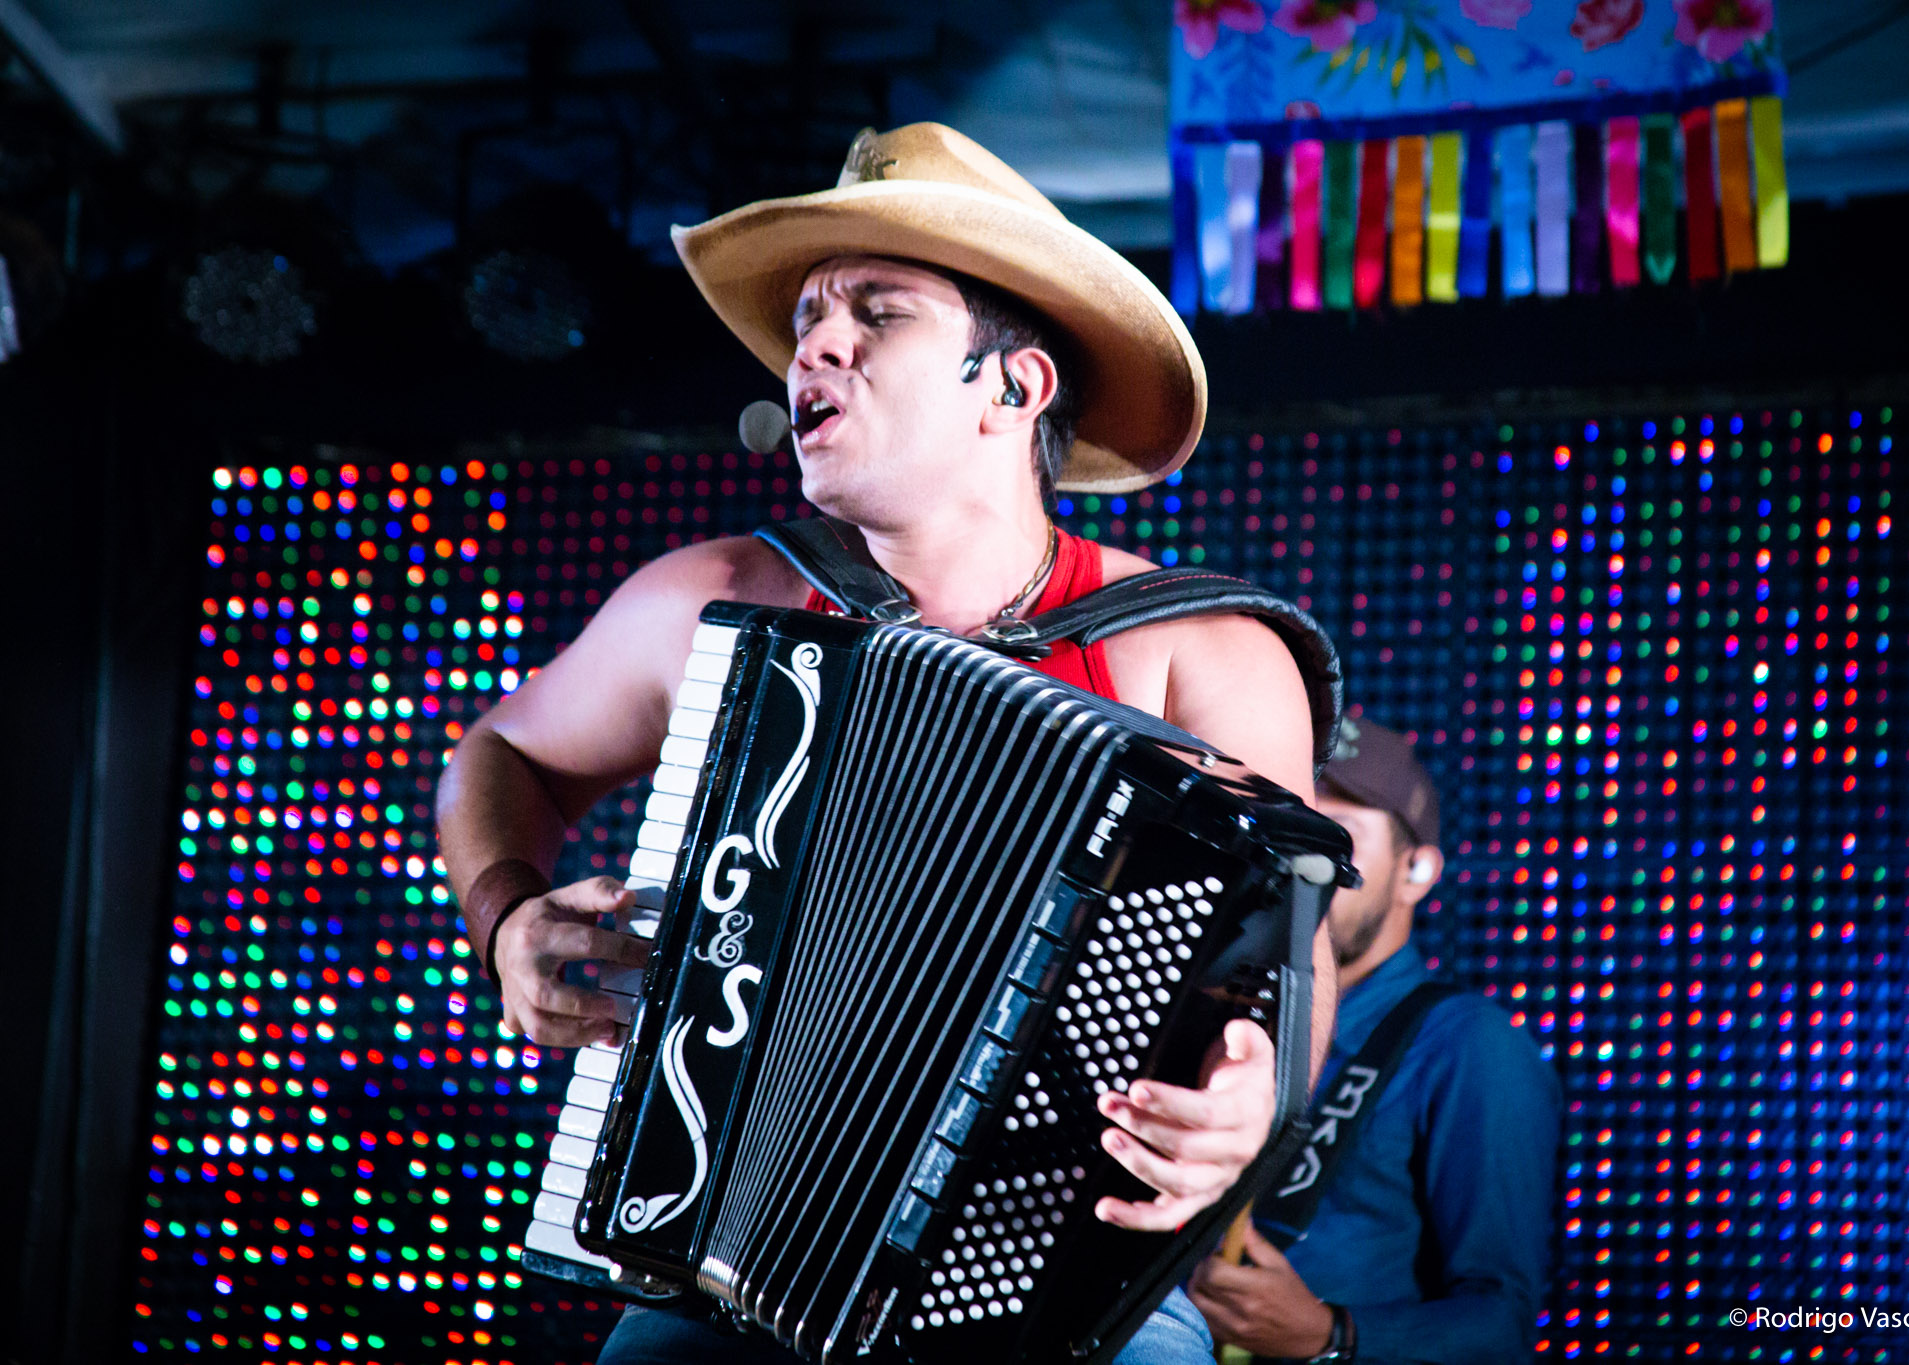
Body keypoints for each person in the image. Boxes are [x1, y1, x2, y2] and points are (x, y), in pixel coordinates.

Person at [433, 122, 1339, 1364]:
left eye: (878, 311)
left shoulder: (1201, 650)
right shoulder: (710, 598)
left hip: (1046, 1262)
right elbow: (501, 754)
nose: (812, 344)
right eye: (807, 316)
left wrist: (1252, 1095)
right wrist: (505, 921)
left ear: (1011, 387)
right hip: (718, 1262)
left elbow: (1291, 959)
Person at [1188, 720, 1560, 1364]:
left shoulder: (1468, 1043)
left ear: (1416, 871)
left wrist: (1330, 1335)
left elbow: (1502, 1324)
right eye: (1295, 829)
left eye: (1340, 834)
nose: (1307, 863)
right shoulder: (1223, 1012)